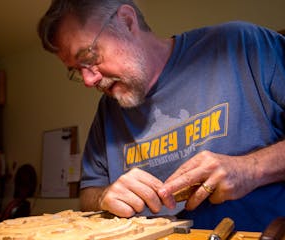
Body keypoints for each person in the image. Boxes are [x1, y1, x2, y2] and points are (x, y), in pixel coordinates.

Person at [37, 0, 285, 231]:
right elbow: (88, 193)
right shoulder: (107, 110)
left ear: (126, 21)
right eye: (77, 71)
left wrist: (251, 168)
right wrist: (104, 197)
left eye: (89, 58)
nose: (89, 81)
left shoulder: (241, 45)